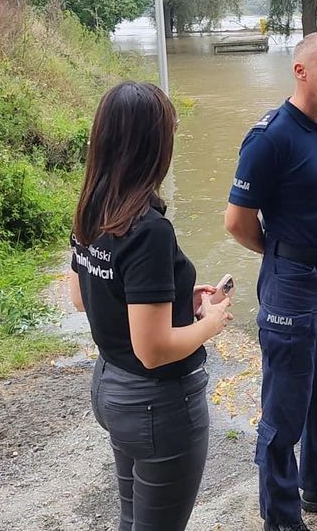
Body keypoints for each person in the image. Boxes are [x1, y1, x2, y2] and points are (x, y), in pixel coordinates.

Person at [224, 33, 317, 531]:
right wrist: (283, 256)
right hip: (293, 281)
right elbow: (237, 221)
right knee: (285, 406)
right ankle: (282, 517)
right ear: (301, 71)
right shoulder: (269, 138)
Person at [68, 81, 233, 531]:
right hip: (155, 403)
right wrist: (211, 321)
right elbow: (154, 349)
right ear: (155, 145)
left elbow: (82, 296)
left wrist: (174, 296)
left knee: (133, 517)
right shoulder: (148, 229)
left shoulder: (92, 207)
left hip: (111, 388)